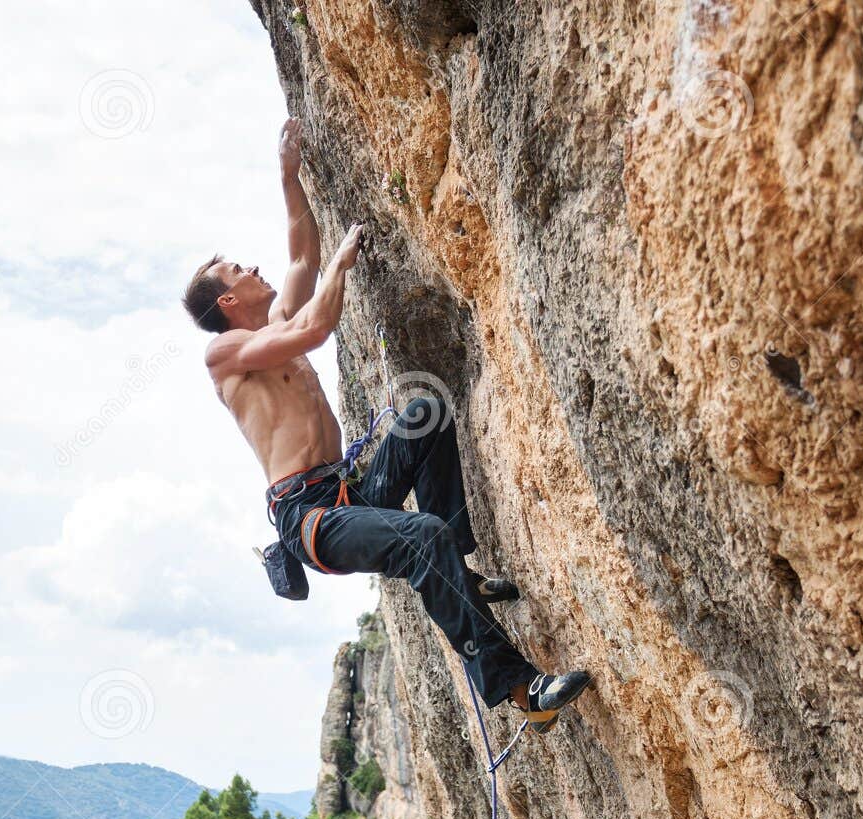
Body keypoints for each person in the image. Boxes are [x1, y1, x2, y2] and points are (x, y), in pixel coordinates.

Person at [181, 118, 590, 729]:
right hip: (312, 518)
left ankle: (464, 574)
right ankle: (520, 691)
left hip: (347, 490)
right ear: (227, 303)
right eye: (239, 270)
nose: (254, 267)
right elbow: (316, 329)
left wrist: (288, 175)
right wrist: (341, 268)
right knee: (421, 537)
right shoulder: (226, 356)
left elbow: (299, 248)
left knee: (427, 412)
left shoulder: (275, 324)